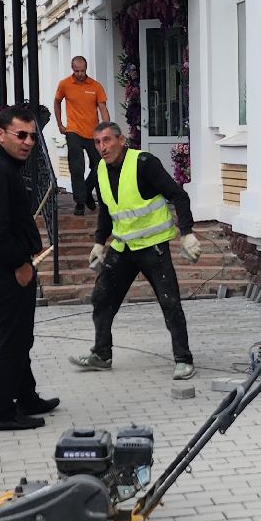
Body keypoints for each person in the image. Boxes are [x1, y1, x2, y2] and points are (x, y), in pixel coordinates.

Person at [69, 122, 204, 381]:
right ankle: (101, 355)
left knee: (169, 302)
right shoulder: (100, 170)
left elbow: (179, 195)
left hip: (153, 247)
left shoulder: (144, 163)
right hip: (123, 247)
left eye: (107, 140)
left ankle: (183, 359)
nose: (102, 147)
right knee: (101, 297)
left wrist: (186, 233)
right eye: (97, 142)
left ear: (121, 140)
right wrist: (99, 242)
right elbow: (108, 210)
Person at [0, 105, 60, 432]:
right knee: (12, 340)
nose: (29, 141)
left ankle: (26, 396)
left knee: (21, 337)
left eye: (32, 135)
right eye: (21, 135)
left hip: (3, 262)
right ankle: (3, 412)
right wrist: (19, 263)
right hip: (6, 268)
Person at [52, 55, 109, 216]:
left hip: (93, 133)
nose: (80, 74)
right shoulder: (65, 84)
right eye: (77, 71)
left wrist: (106, 129)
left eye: (82, 71)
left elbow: (103, 108)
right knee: (77, 167)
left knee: (100, 165)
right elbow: (56, 102)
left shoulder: (95, 86)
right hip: (73, 131)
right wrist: (60, 124)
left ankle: (86, 193)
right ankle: (79, 202)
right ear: (72, 70)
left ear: (86, 69)